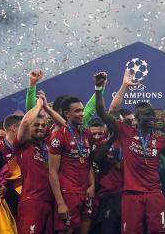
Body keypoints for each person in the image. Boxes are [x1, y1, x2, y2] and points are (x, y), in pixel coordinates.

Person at [95, 72, 165, 234]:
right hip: (131, 195)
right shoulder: (126, 132)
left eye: (150, 115)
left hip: (154, 194)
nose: (149, 118)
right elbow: (103, 112)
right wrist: (98, 89)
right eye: (145, 115)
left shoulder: (161, 141)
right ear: (137, 118)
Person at [16, 91, 65, 234]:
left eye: (43, 125)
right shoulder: (23, 145)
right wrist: (38, 106)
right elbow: (25, 122)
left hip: (50, 202)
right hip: (31, 202)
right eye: (36, 125)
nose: (40, 127)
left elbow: (65, 126)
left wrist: (47, 108)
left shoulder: (48, 143)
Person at [48, 96, 95, 234]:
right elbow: (52, 172)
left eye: (82, 110)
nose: (82, 114)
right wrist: (60, 202)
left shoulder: (86, 134)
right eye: (77, 111)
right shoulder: (58, 136)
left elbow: (89, 162)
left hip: (86, 191)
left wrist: (92, 185)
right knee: (66, 231)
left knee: (86, 226)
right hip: (68, 193)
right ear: (67, 114)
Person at [90, 117, 122, 234]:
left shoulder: (119, 144)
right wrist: (112, 139)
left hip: (117, 193)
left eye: (100, 133)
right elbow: (97, 157)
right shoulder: (90, 146)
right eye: (94, 134)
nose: (97, 137)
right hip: (100, 195)